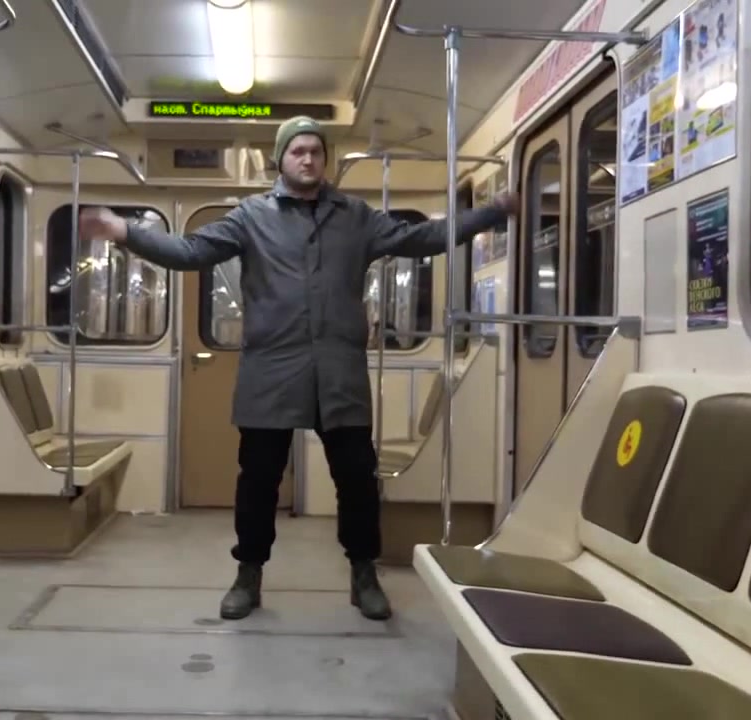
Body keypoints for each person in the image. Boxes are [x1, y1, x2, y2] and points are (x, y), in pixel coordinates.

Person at [78, 116, 517, 622]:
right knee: (258, 481)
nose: (307, 159)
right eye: (297, 151)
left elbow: (425, 238)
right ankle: (248, 574)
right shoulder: (250, 217)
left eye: (315, 151)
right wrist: (125, 231)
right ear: (280, 159)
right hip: (271, 370)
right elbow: (190, 251)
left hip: (340, 373)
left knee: (357, 479)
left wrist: (490, 213)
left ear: (325, 159)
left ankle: (363, 573)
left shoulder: (357, 217)